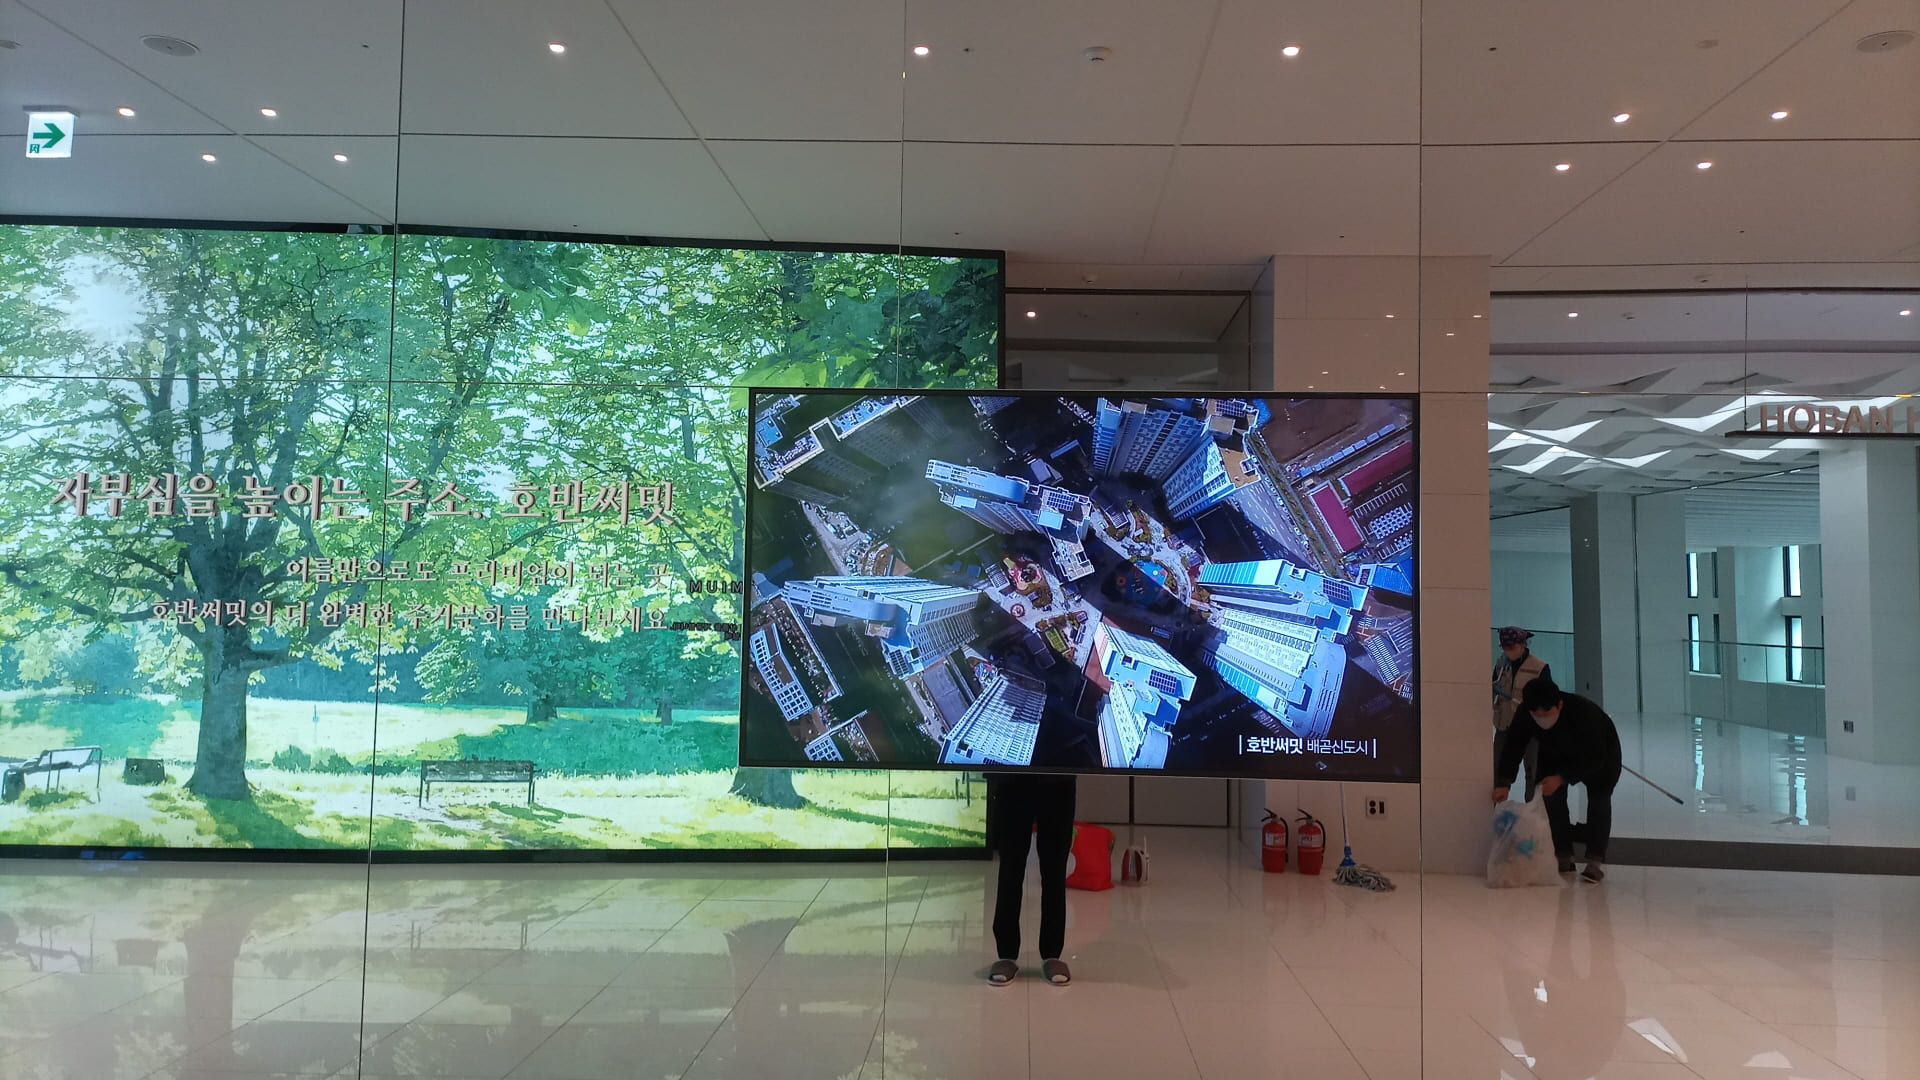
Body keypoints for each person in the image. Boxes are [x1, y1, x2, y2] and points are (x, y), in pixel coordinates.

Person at [1493, 677, 1621, 883]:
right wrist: (1503, 782)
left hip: (1601, 756)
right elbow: (1514, 746)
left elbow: (1595, 757)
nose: (1541, 718)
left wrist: (1562, 778)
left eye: (1546, 713)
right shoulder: (1526, 713)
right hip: (1554, 752)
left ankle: (1594, 862)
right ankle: (1563, 855)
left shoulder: (1585, 714)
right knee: (1551, 798)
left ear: (1559, 705)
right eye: (1536, 714)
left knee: (1599, 800)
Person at [985, 772, 1075, 986]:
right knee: (1010, 867)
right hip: (1012, 779)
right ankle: (1006, 955)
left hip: (1058, 778)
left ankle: (1052, 955)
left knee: (1054, 869)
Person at [1491, 627, 1551, 798]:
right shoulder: (1501, 665)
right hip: (1505, 725)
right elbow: (1492, 689)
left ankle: (1531, 807)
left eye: (1511, 647)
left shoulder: (1539, 667)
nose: (1507, 651)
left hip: (1530, 728)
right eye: (1504, 647)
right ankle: (1497, 805)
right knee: (1498, 768)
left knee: (1533, 769)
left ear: (1523, 644)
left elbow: (1547, 698)